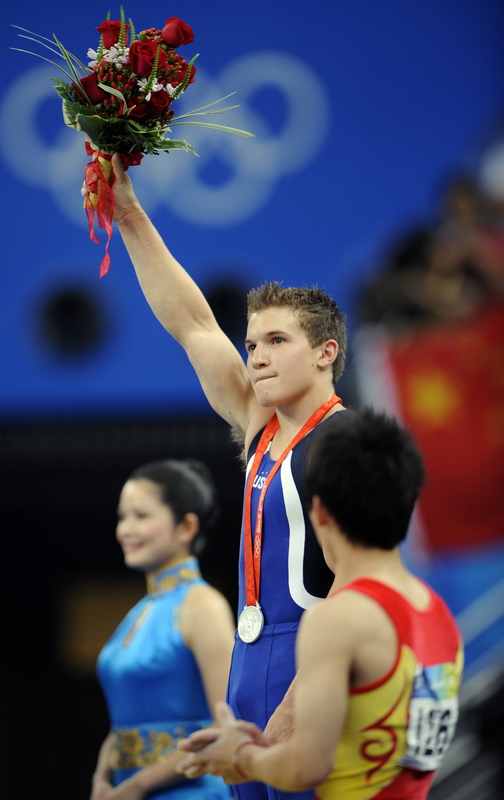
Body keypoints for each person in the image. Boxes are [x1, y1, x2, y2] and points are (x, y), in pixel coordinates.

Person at [92, 155, 351, 800]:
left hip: (308, 665)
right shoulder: (259, 425)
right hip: (247, 666)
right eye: (253, 343)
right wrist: (128, 212)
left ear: (326, 353)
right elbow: (192, 324)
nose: (256, 356)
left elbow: (355, 587)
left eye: (278, 342)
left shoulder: (345, 441)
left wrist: (293, 708)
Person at [176, 408, 464, 800]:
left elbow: (307, 766)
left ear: (320, 513)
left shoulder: (336, 620)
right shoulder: (439, 616)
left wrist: (240, 756)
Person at [91, 458, 236, 800]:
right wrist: (101, 778)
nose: (125, 530)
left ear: (186, 527)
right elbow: (123, 724)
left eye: (140, 516)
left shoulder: (203, 606)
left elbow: (226, 725)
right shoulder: (141, 610)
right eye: (122, 517)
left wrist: (136, 787)